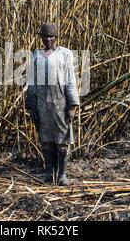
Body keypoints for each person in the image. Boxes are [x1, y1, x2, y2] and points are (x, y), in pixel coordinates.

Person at [25, 22, 80, 186]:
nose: (48, 39)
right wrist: (31, 105)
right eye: (45, 36)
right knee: (46, 139)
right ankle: (49, 173)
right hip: (42, 104)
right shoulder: (36, 56)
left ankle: (62, 175)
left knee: (62, 140)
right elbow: (32, 82)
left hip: (60, 103)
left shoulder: (65, 54)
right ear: (41, 38)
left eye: (51, 36)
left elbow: (71, 80)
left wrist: (72, 105)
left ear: (56, 38)